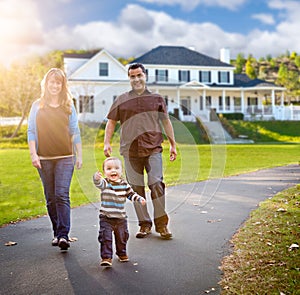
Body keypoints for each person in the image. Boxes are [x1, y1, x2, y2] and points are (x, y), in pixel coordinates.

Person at [104, 63, 177, 240]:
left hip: (153, 148)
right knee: (136, 189)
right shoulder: (121, 99)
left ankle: (162, 225)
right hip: (130, 151)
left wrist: (173, 144)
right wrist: (106, 142)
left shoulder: (157, 99)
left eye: (139, 75)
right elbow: (111, 122)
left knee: (156, 183)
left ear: (145, 76)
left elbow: (166, 122)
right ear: (129, 78)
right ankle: (144, 225)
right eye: (132, 76)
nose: (136, 79)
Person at [27, 68, 82, 251]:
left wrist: (79, 155)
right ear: (46, 83)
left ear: (62, 85)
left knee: (61, 194)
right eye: (52, 82)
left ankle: (64, 235)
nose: (55, 85)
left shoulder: (68, 105)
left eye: (58, 82)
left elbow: (75, 131)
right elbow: (31, 131)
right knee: (50, 197)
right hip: (44, 158)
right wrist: (33, 154)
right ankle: (57, 233)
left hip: (66, 157)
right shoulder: (37, 105)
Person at [93, 157, 146, 267]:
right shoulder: (105, 184)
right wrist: (96, 178)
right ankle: (106, 257)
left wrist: (139, 199)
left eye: (117, 168)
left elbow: (131, 195)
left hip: (121, 218)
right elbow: (98, 183)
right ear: (104, 172)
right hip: (106, 217)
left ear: (121, 171)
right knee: (105, 237)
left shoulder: (124, 185)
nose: (113, 171)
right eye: (109, 168)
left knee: (122, 237)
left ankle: (121, 253)